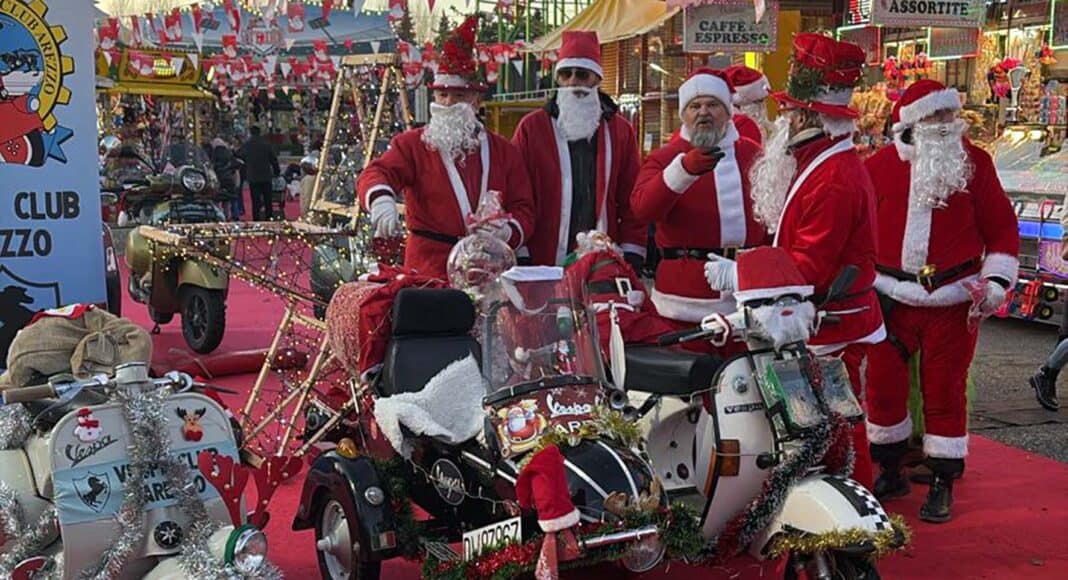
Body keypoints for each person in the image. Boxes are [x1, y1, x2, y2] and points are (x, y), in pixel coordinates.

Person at [705, 34, 885, 490]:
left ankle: (851, 513)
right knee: (826, 424)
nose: (781, 119)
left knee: (837, 426)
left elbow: (811, 265)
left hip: (833, 326)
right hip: (826, 321)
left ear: (808, 116)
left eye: (789, 111)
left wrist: (741, 272)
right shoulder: (823, 163)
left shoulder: (834, 178)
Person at [864, 80, 1020, 522]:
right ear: (911, 122)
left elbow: (1002, 230)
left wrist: (995, 281)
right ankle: (891, 468)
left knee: (945, 389)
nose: (945, 124)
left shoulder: (976, 164)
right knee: (883, 385)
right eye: (935, 117)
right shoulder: (877, 167)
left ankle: (943, 478)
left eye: (949, 115)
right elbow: (859, 230)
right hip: (891, 296)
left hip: (954, 298)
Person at [356, 16, 534, 279]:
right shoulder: (412, 144)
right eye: (442, 95)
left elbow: (524, 207)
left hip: (487, 271)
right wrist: (381, 200)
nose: (449, 102)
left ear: (476, 99)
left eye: (459, 95)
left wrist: (507, 231)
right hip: (428, 271)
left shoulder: (504, 152)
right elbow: (378, 172)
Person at [631, 69, 765, 348]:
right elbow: (642, 209)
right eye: (695, 106)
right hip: (680, 305)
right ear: (684, 114)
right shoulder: (666, 158)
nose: (703, 112)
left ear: (728, 111)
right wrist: (682, 171)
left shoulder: (752, 154)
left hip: (744, 299)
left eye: (713, 104)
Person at [512, 30, 646, 270]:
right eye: (565, 74)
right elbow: (517, 194)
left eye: (582, 74)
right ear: (558, 79)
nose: (573, 82)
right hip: (542, 258)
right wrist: (521, 251)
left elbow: (631, 198)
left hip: (603, 261)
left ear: (596, 79)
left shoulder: (620, 131)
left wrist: (632, 250)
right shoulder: (532, 128)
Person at [238, 126, 279, 221]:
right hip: (266, 175)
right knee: (268, 199)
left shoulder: (247, 145)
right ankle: (269, 217)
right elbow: (273, 159)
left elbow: (239, 156)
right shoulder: (266, 144)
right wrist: (277, 172)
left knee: (255, 200)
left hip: (253, 175)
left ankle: (256, 219)